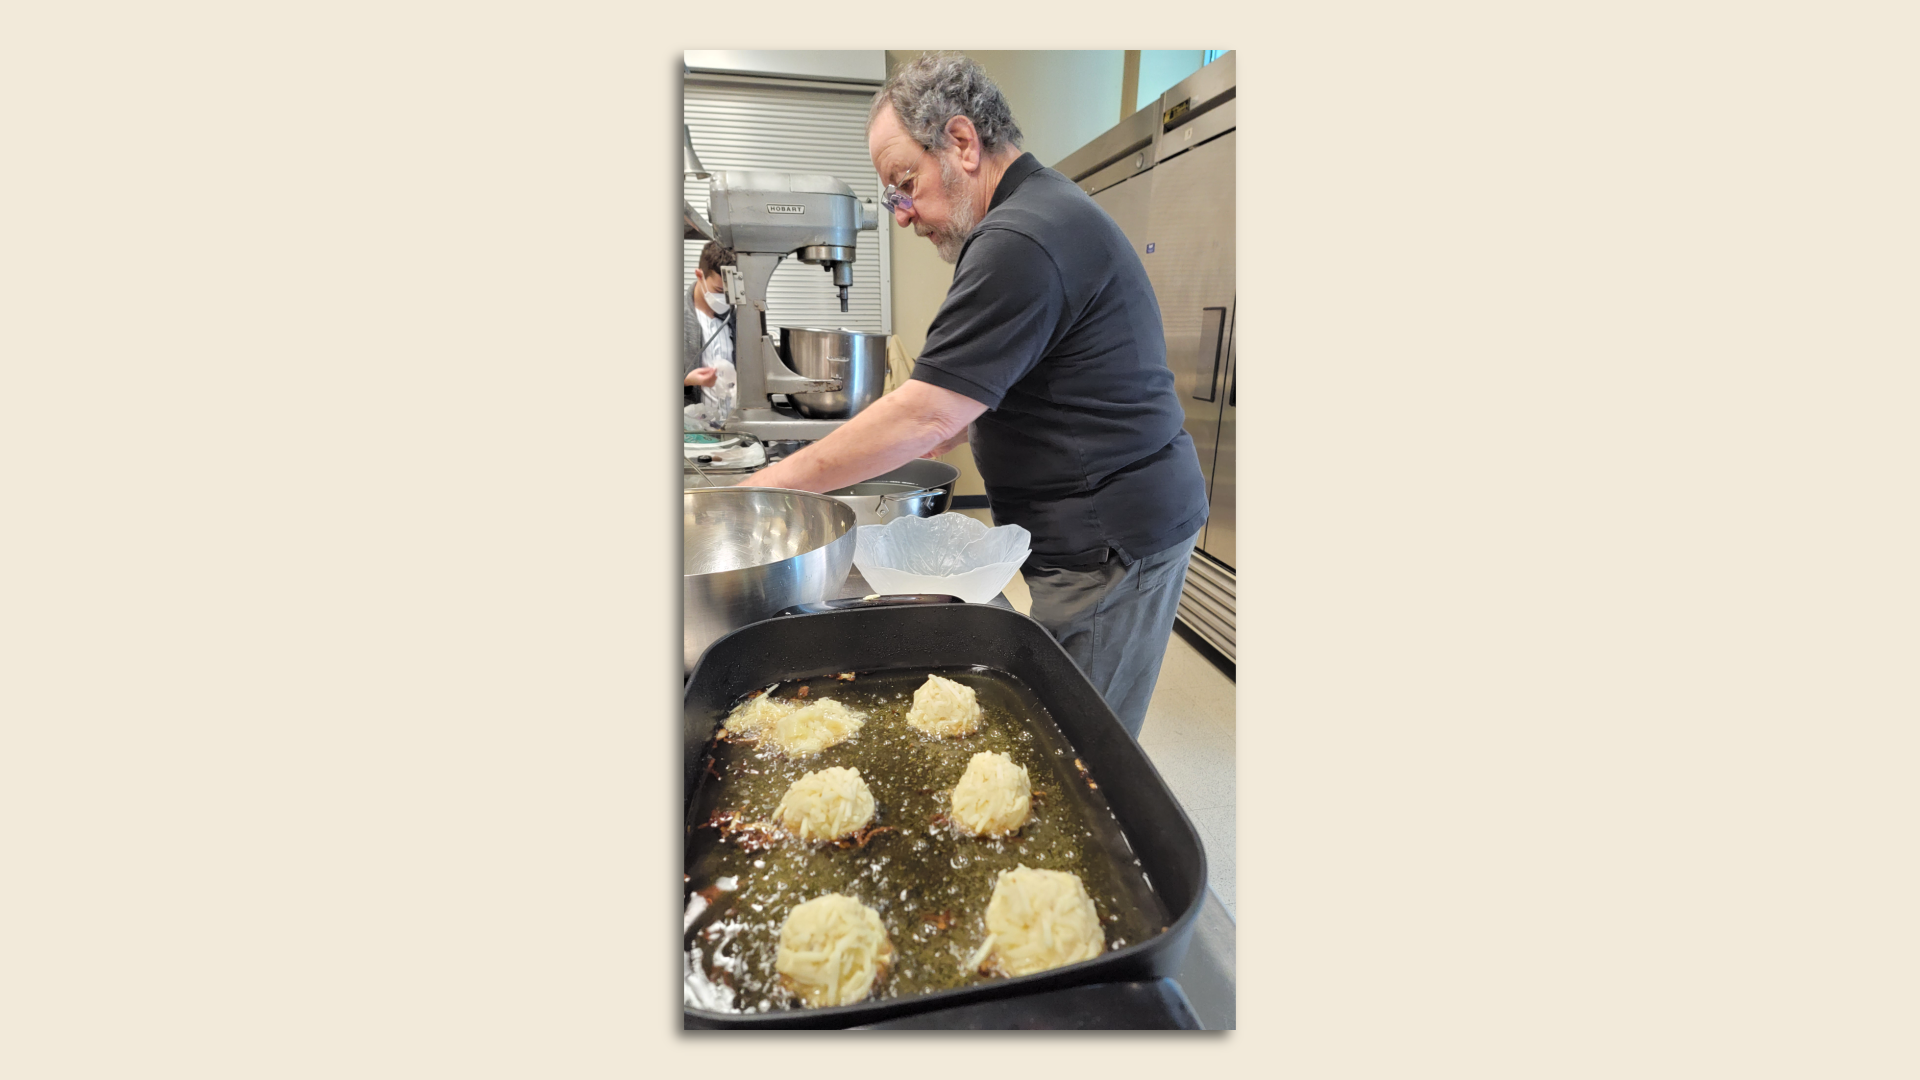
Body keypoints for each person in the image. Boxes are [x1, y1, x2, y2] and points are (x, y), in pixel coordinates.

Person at [741, 53, 1208, 738]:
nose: (901, 214)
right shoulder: (1039, 212)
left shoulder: (1019, 238)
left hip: (1109, 540)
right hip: (1104, 528)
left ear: (962, 142)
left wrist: (767, 492)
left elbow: (929, 410)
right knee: (1061, 721)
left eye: (904, 184)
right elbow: (957, 410)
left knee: (1077, 748)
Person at [683, 240, 735, 424]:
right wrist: (686, 381)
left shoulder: (735, 318)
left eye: (729, 292)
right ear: (699, 275)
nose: (724, 298)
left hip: (733, 427)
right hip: (693, 431)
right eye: (719, 290)